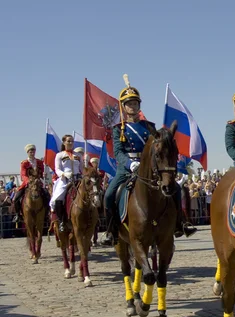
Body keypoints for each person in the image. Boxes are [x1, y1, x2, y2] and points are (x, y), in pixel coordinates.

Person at [101, 74, 196, 246]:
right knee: (109, 195)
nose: (133, 106)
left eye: (135, 103)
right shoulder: (118, 129)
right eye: (129, 103)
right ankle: (111, 231)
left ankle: (181, 223)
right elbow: (118, 152)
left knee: (176, 189)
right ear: (123, 107)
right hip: (126, 169)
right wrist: (131, 164)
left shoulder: (148, 127)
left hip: (150, 168)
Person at [49, 135, 82, 232]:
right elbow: (57, 169)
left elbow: (82, 169)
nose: (71, 143)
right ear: (64, 143)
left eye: (72, 141)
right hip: (65, 179)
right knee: (58, 198)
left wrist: (85, 175)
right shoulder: (59, 155)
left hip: (77, 178)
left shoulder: (78, 155)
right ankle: (61, 221)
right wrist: (63, 174)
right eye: (68, 141)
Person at [13, 144, 50, 223]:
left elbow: (42, 172)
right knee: (16, 198)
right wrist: (28, 181)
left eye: (33, 151)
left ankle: (47, 213)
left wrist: (43, 175)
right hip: (28, 183)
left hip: (38, 183)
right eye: (30, 151)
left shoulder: (39, 162)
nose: (32, 153)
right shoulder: (24, 163)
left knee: (47, 195)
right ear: (27, 152)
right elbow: (23, 175)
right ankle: (17, 215)